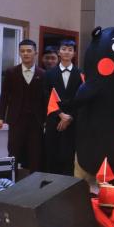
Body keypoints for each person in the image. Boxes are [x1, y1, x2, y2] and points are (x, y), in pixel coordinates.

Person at [0, 39, 46, 174]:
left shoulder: (43, 74)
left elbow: (46, 99)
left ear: (35, 53)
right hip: (16, 120)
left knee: (35, 154)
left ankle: (35, 183)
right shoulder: (11, 72)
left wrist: (47, 119)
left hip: (36, 121)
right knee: (13, 152)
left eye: (29, 51)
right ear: (19, 53)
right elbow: (4, 96)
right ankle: (11, 182)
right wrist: (0, 117)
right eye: (22, 51)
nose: (26, 53)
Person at [43, 39, 83, 175]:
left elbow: (82, 100)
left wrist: (70, 117)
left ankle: (68, 187)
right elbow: (46, 97)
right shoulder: (49, 74)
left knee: (69, 158)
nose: (67, 52)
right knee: (52, 157)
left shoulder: (81, 74)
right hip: (54, 121)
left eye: (70, 50)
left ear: (74, 53)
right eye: (64, 49)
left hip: (73, 123)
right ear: (59, 52)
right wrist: (60, 114)